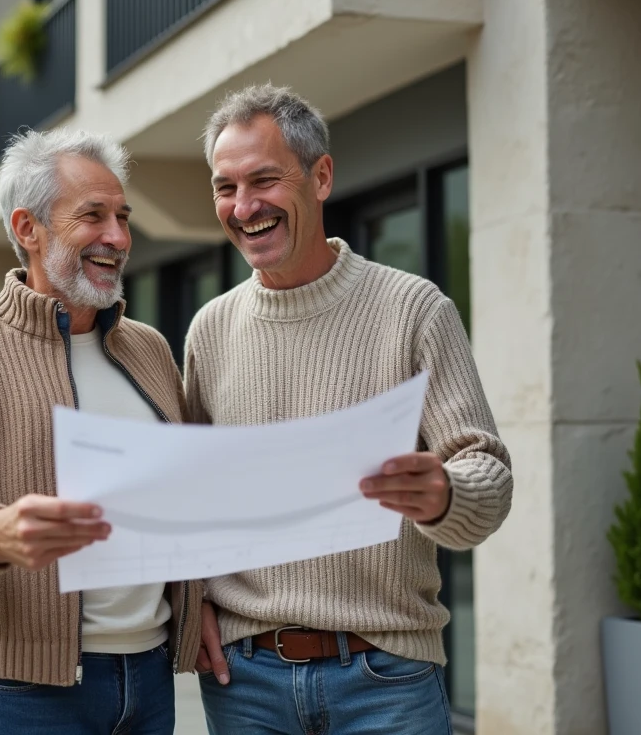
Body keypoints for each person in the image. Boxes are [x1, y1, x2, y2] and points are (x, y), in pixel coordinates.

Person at [187, 85, 513, 734]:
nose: (244, 207)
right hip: (244, 681)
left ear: (321, 176)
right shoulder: (209, 330)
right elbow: (192, 499)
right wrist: (192, 602)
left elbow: (490, 477)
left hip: (386, 677)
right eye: (226, 187)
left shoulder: (415, 310)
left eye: (264, 180)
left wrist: (445, 492)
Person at [0, 128, 203, 735]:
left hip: (152, 683)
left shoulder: (151, 351)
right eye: (93, 216)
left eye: (123, 217)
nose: (118, 237)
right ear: (28, 229)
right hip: (18, 694)